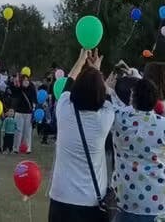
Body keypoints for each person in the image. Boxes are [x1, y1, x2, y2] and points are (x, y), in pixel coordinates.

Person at [47, 49, 115, 222]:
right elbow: (107, 94)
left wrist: (81, 61)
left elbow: (69, 82)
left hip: (61, 198)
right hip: (91, 202)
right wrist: (96, 70)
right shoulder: (105, 118)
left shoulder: (64, 109)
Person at [110, 76, 165, 222]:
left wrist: (111, 90)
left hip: (127, 199)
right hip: (160, 201)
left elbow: (108, 105)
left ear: (132, 99)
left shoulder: (119, 119)